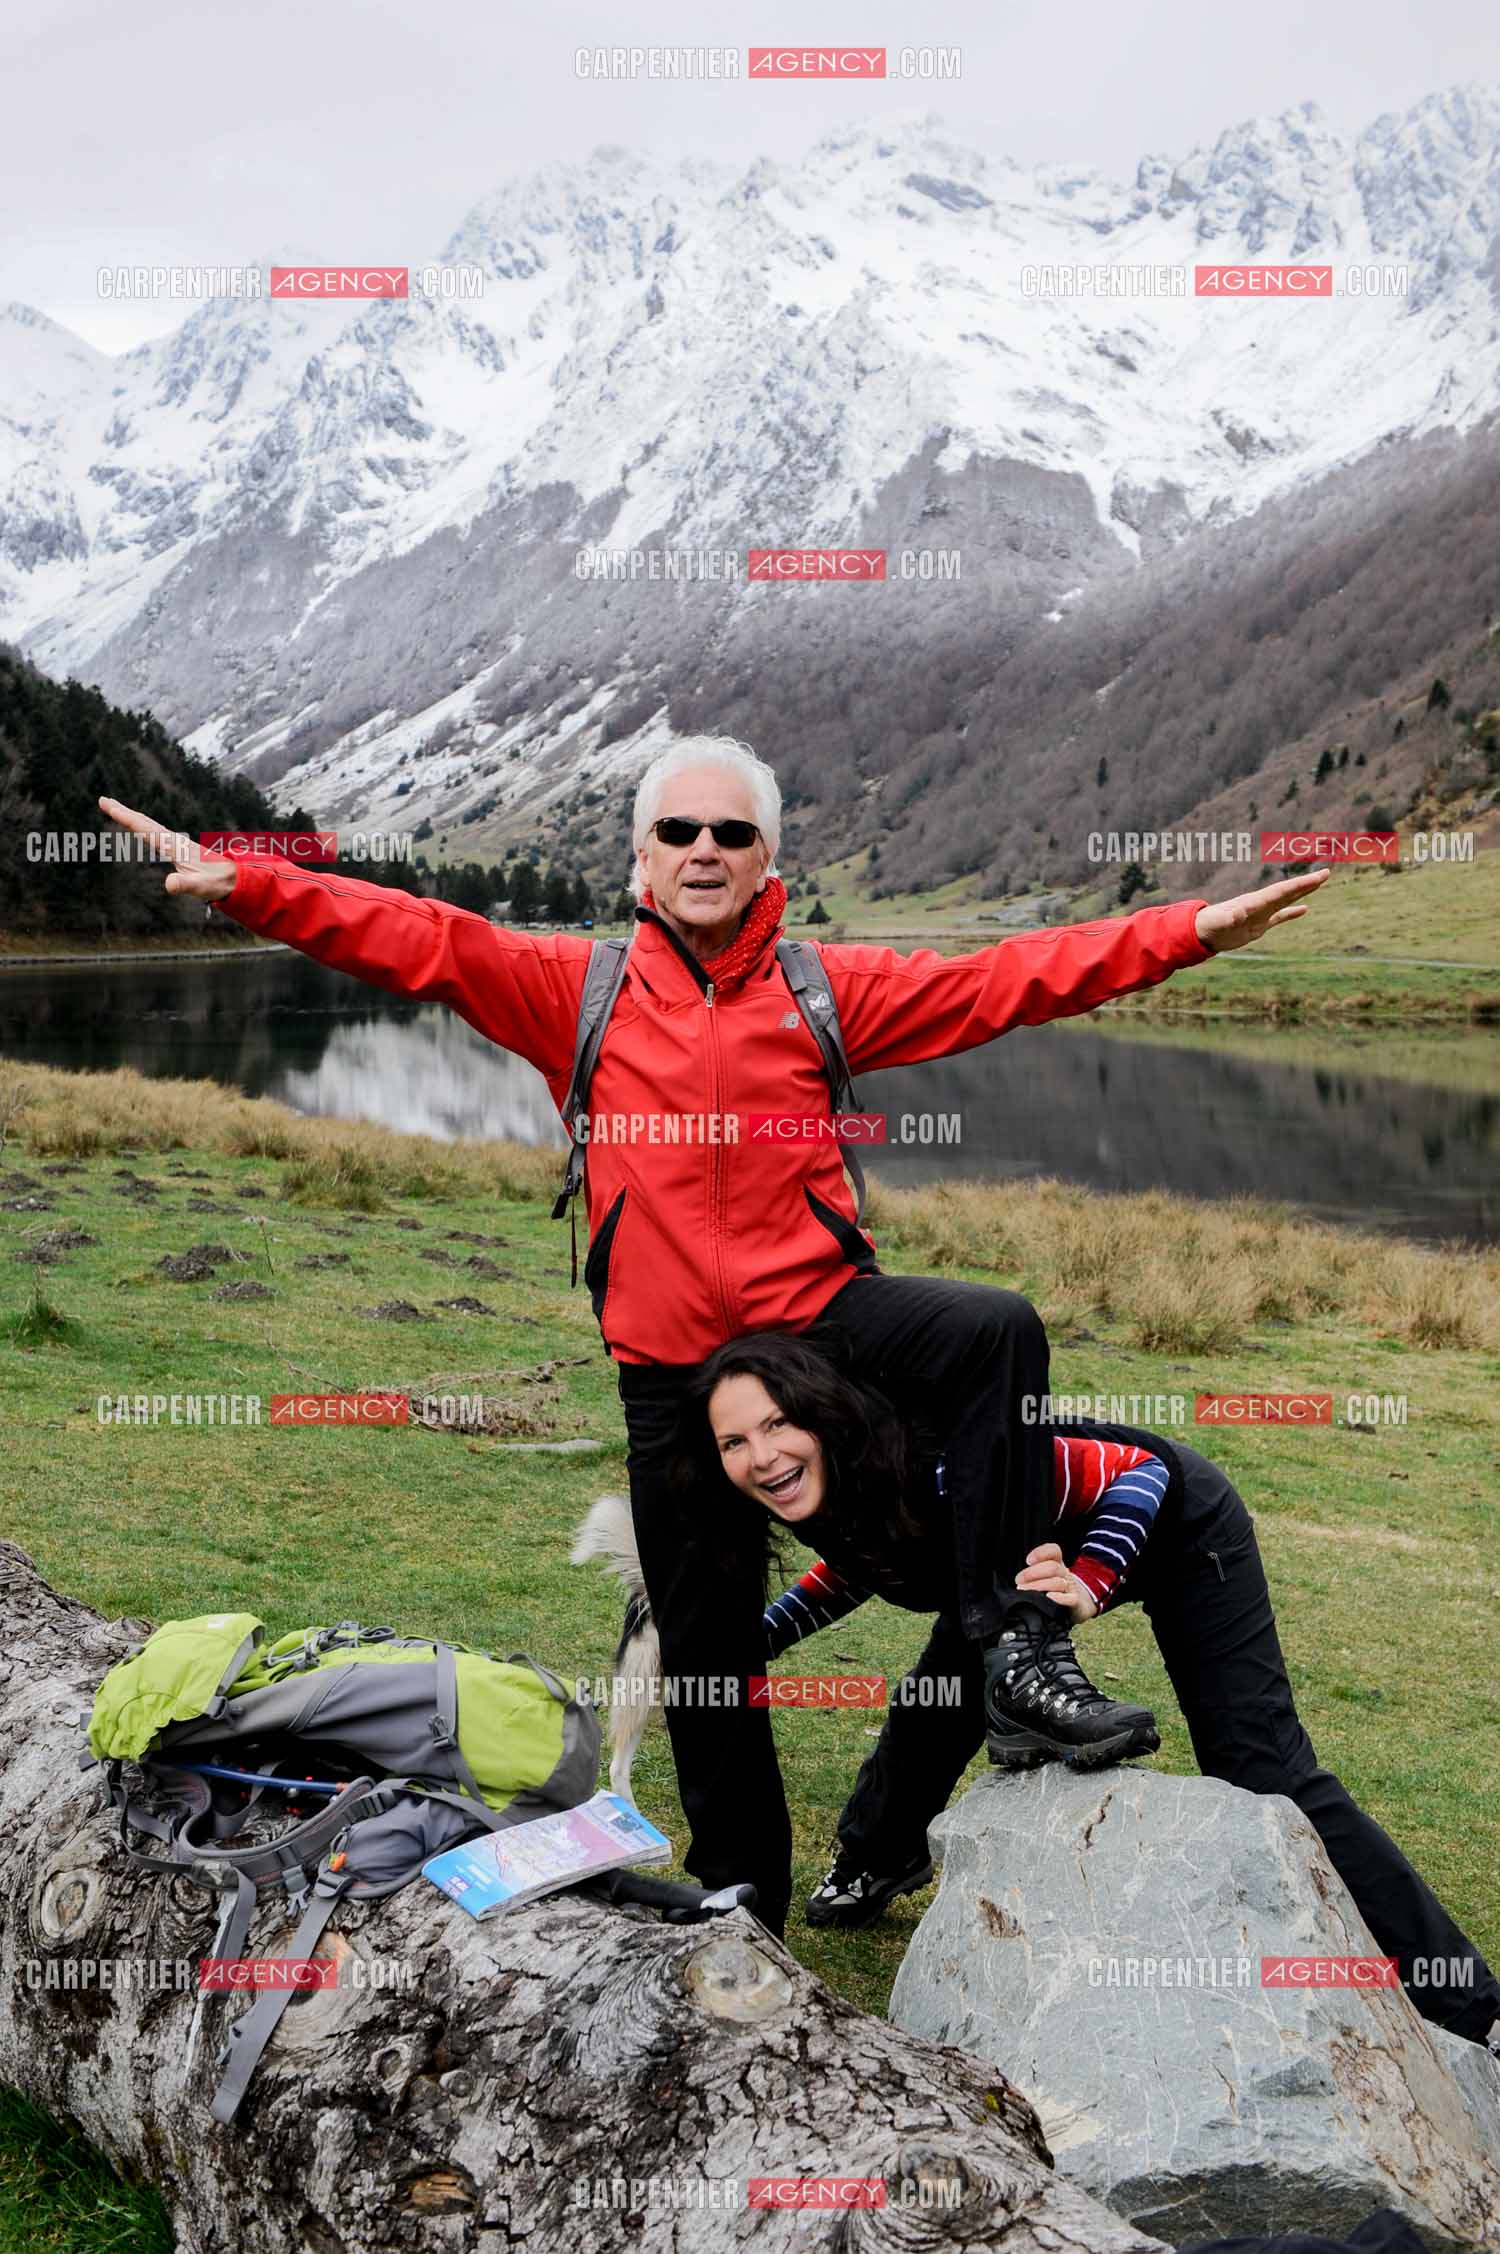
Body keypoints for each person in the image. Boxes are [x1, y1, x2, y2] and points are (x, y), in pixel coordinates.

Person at [96, 738, 1329, 1937]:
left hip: (820, 1328)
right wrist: (252, 881)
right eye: (677, 830)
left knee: (991, 1329)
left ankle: (1008, 1646)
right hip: (669, 1368)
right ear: (641, 857)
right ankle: (743, 1887)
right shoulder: (570, 989)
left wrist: (1191, 931)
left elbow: (1009, 977)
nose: (701, 849)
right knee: (706, 1642)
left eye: (729, 832)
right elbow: (418, 936)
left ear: (764, 861)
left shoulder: (821, 988)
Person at [686, 1330, 1500, 2050]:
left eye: (777, 1423)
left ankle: (1474, 2006)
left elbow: (1140, 1472)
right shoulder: (824, 1489)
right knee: (939, 1700)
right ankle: (875, 1859)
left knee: (1265, 1769)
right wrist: (743, 1642)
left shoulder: (930, 1462)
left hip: (1172, 1524)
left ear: (823, 1413)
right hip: (1026, 1572)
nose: (760, 1456)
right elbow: (871, 1564)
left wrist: (1092, 1582)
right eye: (733, 1442)